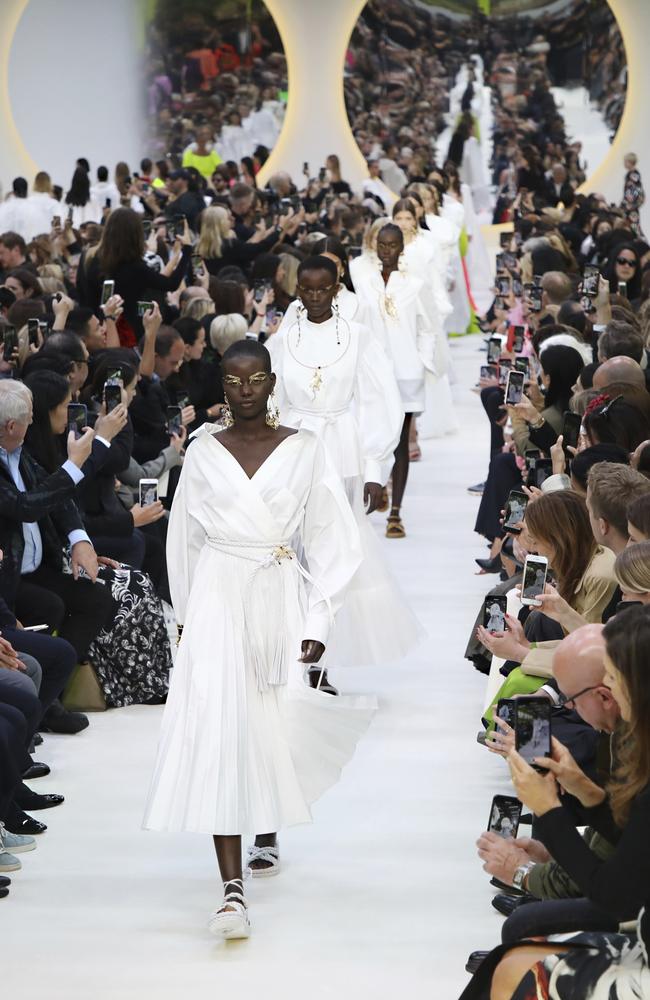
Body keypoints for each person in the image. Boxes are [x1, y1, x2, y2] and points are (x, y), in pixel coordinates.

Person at [143, 340, 374, 939]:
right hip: (218, 592)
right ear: (222, 386)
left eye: (256, 380)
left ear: (272, 384)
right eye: (233, 381)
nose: (245, 390)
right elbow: (184, 540)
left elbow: (332, 540)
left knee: (273, 722)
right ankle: (231, 891)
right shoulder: (201, 453)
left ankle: (266, 820)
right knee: (222, 727)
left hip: (277, 592)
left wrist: (320, 622)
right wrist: (187, 618)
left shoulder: (304, 450)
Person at [270, 255, 421, 689]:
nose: (315, 297)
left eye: (323, 289)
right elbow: (271, 396)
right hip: (293, 447)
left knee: (333, 555)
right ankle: (291, 653)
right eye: (306, 289)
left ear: (337, 289)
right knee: (292, 551)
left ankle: (322, 661)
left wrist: (376, 467)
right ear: (297, 290)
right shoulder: (285, 338)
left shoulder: (358, 337)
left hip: (341, 450)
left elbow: (380, 401)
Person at [351, 224, 445, 536]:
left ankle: (396, 512)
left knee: (401, 440)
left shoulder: (415, 284)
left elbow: (428, 326)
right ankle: (379, 487)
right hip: (373, 373)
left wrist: (421, 361)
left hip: (406, 372)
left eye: (392, 244)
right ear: (375, 246)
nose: (387, 250)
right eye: (382, 244)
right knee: (374, 434)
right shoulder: (363, 283)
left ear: (401, 248)